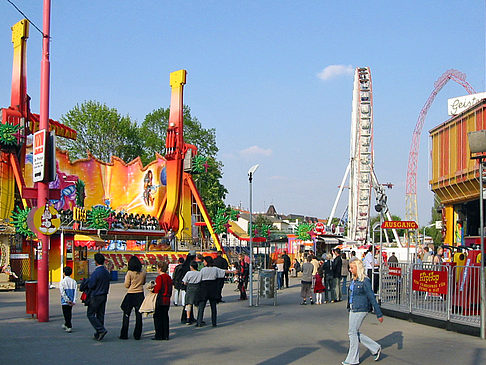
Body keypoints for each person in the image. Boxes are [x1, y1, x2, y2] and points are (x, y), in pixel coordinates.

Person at [342, 259, 383, 365]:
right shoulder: (353, 280)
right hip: (353, 307)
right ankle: (375, 348)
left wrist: (379, 313)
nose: (350, 270)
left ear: (358, 268)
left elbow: (371, 296)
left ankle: (353, 359)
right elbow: (351, 295)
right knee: (353, 332)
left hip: (361, 309)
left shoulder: (365, 281)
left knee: (352, 333)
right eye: (350, 268)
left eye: (352, 268)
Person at [196, 256, 232, 327]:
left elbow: (199, 279)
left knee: (201, 306)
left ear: (206, 262)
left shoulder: (203, 270)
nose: (203, 262)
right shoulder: (215, 269)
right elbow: (223, 271)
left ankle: (199, 322)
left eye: (204, 261)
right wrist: (233, 271)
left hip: (204, 287)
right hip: (213, 287)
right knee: (213, 306)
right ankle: (214, 322)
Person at [119, 256, 146, 340]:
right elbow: (144, 282)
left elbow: (126, 285)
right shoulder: (143, 272)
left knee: (126, 314)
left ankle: (124, 334)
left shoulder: (129, 273)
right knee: (139, 315)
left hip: (131, 294)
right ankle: (137, 334)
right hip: (140, 294)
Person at [85, 253, 110, 341]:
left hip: (96, 295)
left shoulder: (96, 273)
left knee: (90, 314)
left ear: (96, 261)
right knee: (100, 314)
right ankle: (99, 332)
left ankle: (100, 329)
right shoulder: (106, 272)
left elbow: (92, 285)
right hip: (104, 294)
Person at [153, 261, 173, 340]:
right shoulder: (168, 277)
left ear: (160, 268)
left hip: (160, 299)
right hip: (167, 299)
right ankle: (166, 334)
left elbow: (157, 289)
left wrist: (153, 289)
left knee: (157, 317)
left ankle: (159, 334)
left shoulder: (159, 278)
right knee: (165, 317)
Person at [59, 266, 77, 333]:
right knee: (69, 312)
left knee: (66, 313)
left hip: (65, 301)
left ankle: (69, 326)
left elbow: (62, 292)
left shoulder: (62, 282)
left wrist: (67, 300)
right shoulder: (74, 281)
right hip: (72, 300)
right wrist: (74, 300)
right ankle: (66, 324)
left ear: (64, 273)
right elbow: (75, 292)